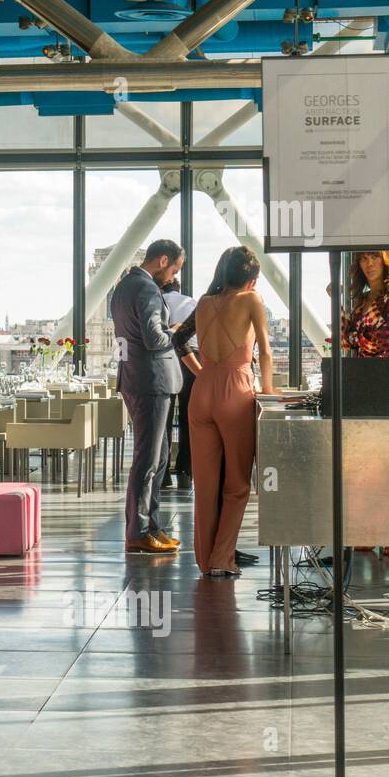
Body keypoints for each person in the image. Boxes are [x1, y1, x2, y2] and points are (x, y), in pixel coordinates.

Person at [187, 247, 277, 577]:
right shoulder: (252, 300)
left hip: (202, 389)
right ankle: (222, 559)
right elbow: (265, 351)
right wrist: (268, 391)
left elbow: (181, 342)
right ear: (251, 279)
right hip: (235, 389)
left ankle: (204, 558)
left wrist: (205, 374)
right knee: (238, 484)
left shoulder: (203, 302)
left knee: (205, 484)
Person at [110, 238, 185, 554]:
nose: (172, 279)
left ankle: (151, 525)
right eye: (175, 270)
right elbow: (155, 339)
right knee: (148, 459)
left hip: (135, 379)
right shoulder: (147, 289)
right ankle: (139, 531)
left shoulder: (123, 287)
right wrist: (177, 331)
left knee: (158, 457)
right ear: (163, 260)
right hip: (151, 381)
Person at [161, 276, 197, 491]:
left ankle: (163, 474)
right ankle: (185, 472)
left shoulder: (157, 301)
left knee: (163, 422)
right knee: (188, 418)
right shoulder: (191, 302)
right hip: (192, 359)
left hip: (165, 360)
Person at [340, 251, 389, 357]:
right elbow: (344, 342)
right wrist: (335, 300)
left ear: (386, 260)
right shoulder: (363, 300)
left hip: (384, 371)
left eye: (375, 257)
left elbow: (382, 343)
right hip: (359, 371)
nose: (369, 264)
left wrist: (352, 338)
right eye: (364, 258)